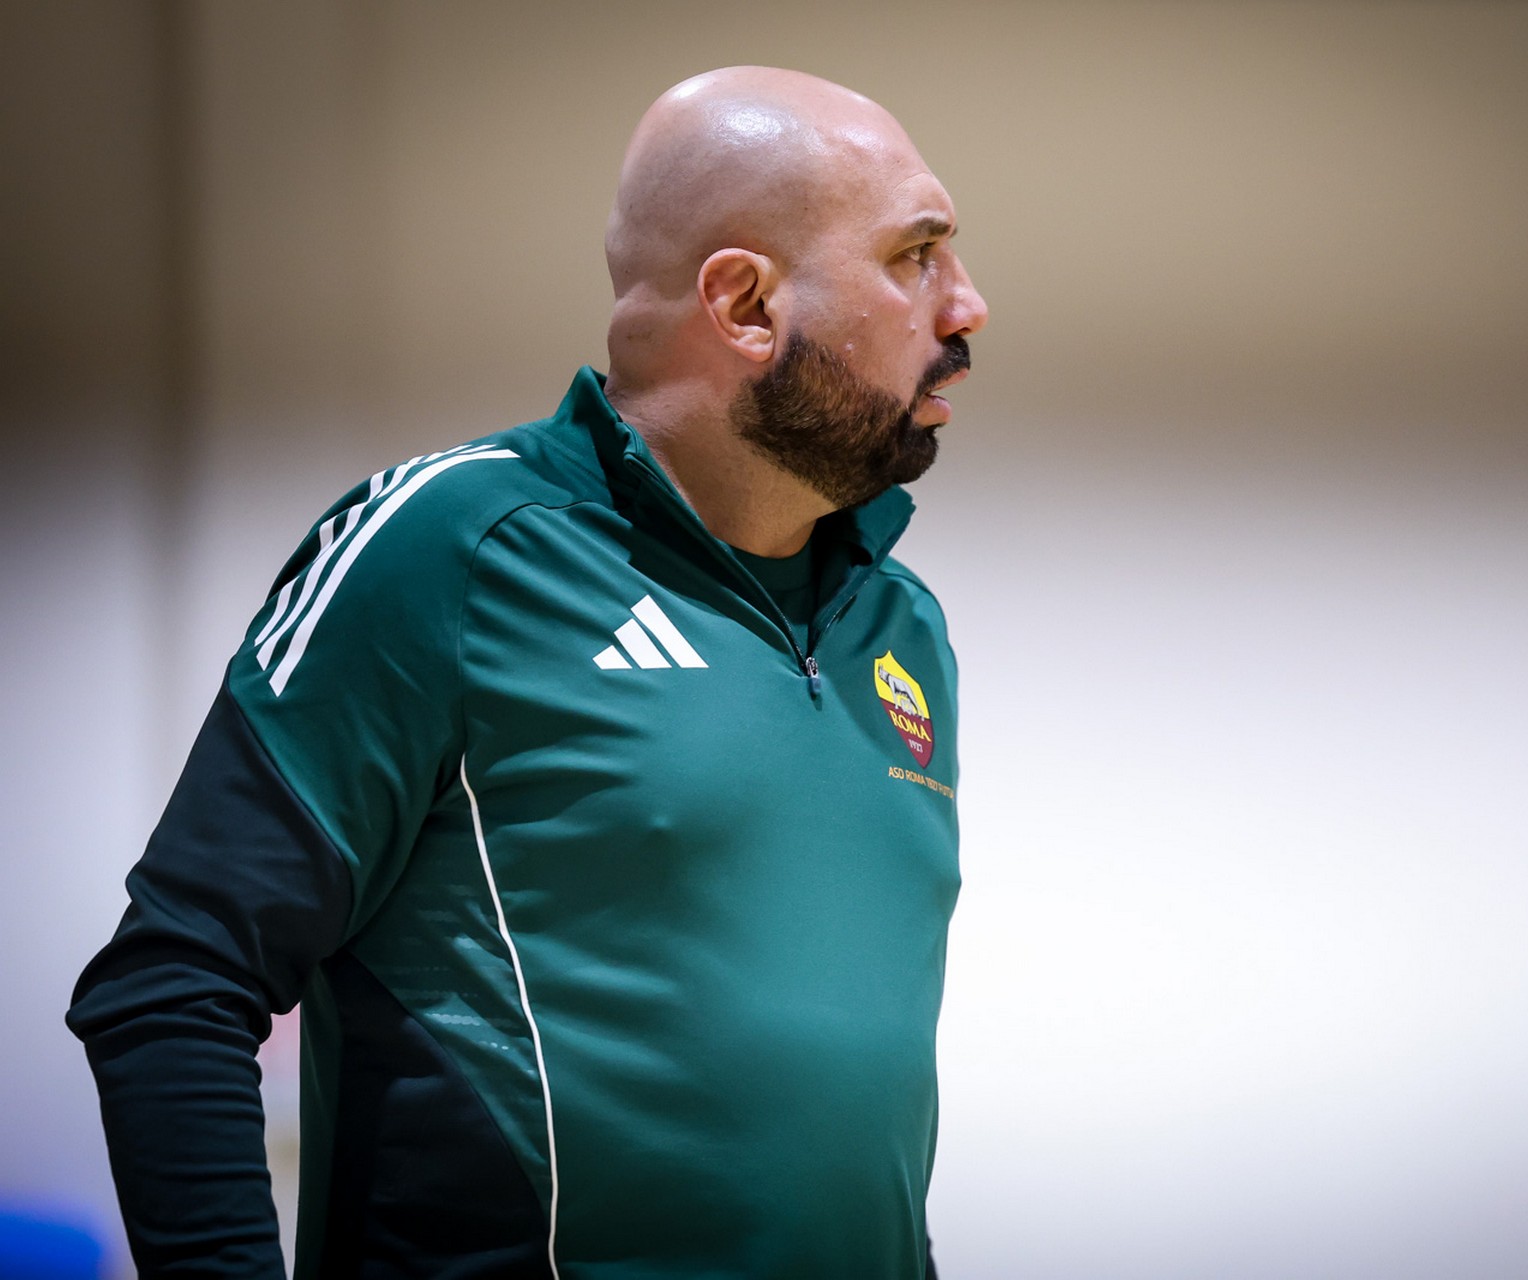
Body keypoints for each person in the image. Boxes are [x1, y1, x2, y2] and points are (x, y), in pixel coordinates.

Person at [67, 66, 988, 1279]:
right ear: (746, 303)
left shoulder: (900, 623)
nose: (967, 306)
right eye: (916, 254)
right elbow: (174, 979)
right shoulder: (451, 546)